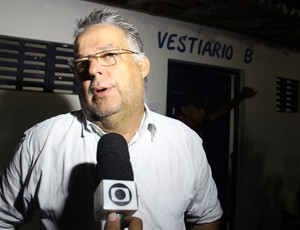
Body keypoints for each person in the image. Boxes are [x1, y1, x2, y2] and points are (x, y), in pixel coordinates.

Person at [0, 8, 222, 230]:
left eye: (109, 55)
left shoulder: (186, 141)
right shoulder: (41, 141)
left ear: (142, 66)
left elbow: (206, 220)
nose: (93, 69)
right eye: (82, 63)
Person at [178, 86, 257, 138]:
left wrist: (242, 96)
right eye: (198, 108)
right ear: (185, 109)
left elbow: (223, 110)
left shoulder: (200, 123)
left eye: (203, 108)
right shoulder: (177, 130)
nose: (203, 112)